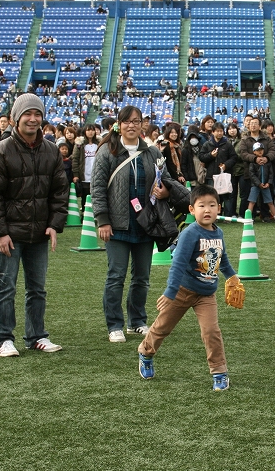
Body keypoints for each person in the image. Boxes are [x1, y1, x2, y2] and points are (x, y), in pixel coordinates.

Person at [0, 93, 69, 356]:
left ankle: (36, 335)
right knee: (6, 286)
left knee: (37, 288)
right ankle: (3, 338)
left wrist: (55, 224)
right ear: (16, 118)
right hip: (10, 234)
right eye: (28, 114)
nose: (33, 119)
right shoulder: (0, 151)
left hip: (39, 232)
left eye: (37, 114)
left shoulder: (51, 150)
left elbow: (59, 192)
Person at [137, 184, 237, 391]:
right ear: (192, 210)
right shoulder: (190, 233)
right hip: (182, 291)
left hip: (206, 295)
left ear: (219, 208)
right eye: (202, 205)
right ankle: (146, 353)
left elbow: (222, 259)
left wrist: (233, 277)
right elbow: (178, 263)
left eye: (212, 205)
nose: (207, 210)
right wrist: (170, 292)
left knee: (211, 331)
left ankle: (219, 371)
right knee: (162, 327)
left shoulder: (218, 233)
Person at [91, 105, 169, 343]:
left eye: (137, 121)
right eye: (127, 121)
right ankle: (114, 324)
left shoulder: (152, 152)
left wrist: (165, 192)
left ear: (142, 124)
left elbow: (164, 180)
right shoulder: (107, 151)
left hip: (145, 224)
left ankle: (137, 321)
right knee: (116, 275)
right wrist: (102, 220)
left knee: (142, 277)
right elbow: (97, 188)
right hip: (116, 225)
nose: (132, 125)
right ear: (119, 124)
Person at [247, 142, 275, 222]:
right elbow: (252, 174)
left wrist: (269, 182)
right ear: (254, 152)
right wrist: (258, 183)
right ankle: (248, 218)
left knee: (270, 202)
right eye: (258, 150)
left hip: (266, 185)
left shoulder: (267, 161)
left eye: (261, 150)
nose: (260, 152)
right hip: (255, 185)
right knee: (252, 201)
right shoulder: (253, 162)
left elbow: (271, 173)